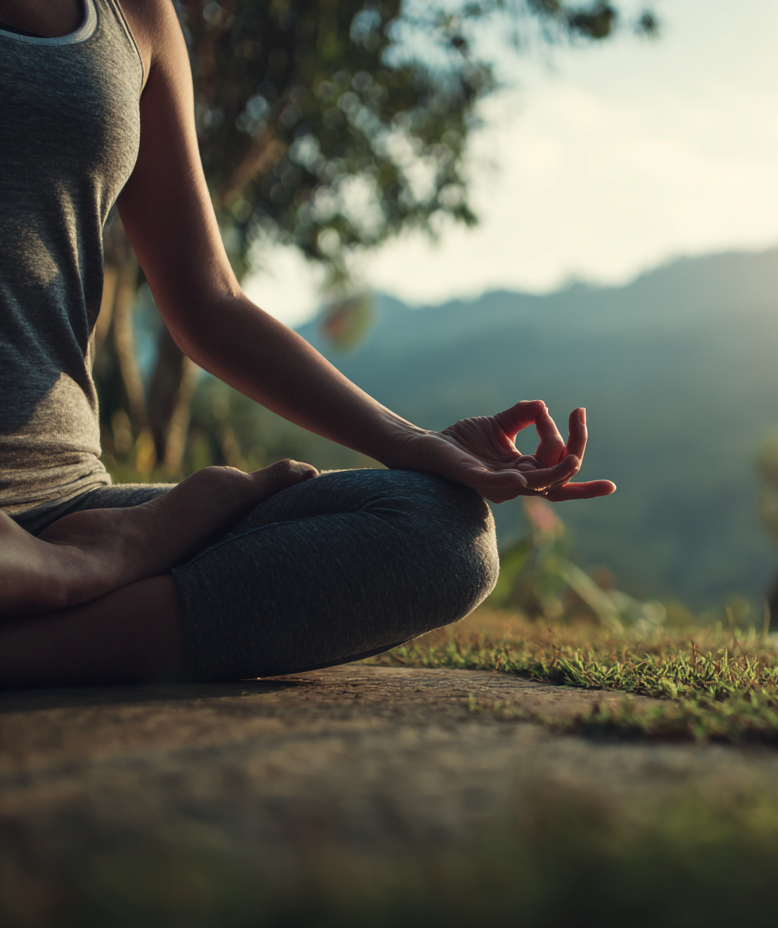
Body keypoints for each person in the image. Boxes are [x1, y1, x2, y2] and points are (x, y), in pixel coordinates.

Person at [0, 0, 615, 687]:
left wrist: (412, 444)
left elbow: (209, 303)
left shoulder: (135, 16)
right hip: (74, 538)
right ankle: (75, 578)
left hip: (66, 505)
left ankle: (43, 597)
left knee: (440, 529)